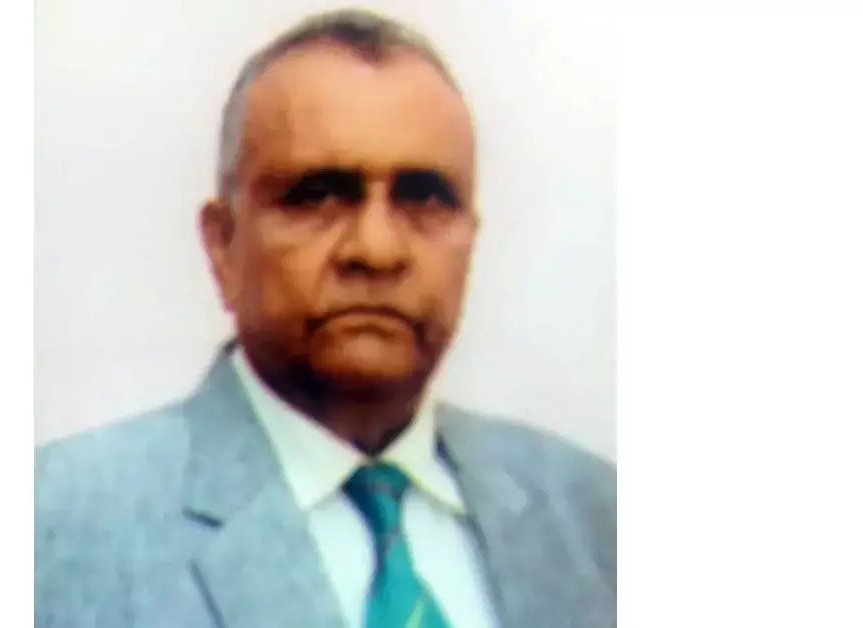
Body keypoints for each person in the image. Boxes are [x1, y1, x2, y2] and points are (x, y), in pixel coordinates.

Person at [36, 8, 615, 628]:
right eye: (319, 196)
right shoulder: (51, 530)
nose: (377, 250)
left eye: (424, 197)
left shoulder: (596, 519)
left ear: (470, 236)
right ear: (223, 245)